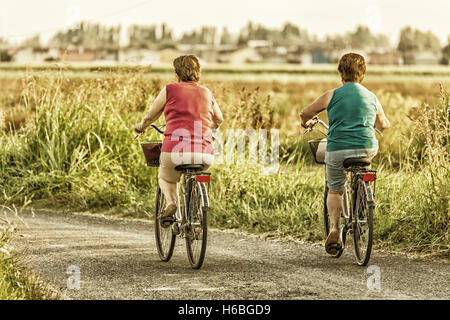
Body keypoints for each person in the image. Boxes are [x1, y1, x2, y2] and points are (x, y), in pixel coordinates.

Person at [299, 53, 390, 255]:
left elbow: (305, 113)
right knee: (363, 165)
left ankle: (333, 228)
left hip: (338, 148)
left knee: (335, 189)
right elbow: (384, 124)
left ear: (341, 74)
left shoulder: (331, 95)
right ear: (362, 75)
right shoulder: (371, 97)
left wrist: (306, 123)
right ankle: (362, 199)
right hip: (367, 148)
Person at [134, 55, 224, 227]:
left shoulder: (170, 90)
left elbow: (151, 115)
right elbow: (219, 119)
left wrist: (142, 126)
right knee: (197, 174)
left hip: (175, 151)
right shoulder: (206, 92)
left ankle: (171, 203)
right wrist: (208, 129)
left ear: (177, 74)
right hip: (204, 153)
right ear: (198, 73)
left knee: (166, 178)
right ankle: (196, 217)